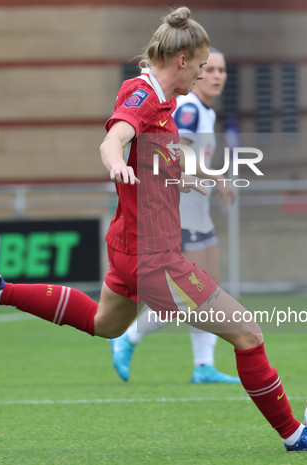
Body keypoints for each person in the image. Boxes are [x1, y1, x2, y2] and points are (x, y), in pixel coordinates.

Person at [0, 7, 307, 452]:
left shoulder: (162, 99)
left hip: (130, 247)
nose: (206, 74)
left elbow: (152, 155)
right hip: (154, 256)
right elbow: (114, 137)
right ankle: (297, 436)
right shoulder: (143, 95)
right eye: (203, 65)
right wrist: (114, 161)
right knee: (247, 333)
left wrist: (186, 176)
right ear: (183, 61)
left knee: (104, 323)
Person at [109, 48, 241, 384]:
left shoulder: (206, 113)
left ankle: (203, 365)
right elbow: (173, 154)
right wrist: (216, 175)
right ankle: (128, 336)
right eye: (208, 69)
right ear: (194, 69)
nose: (215, 75)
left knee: (209, 291)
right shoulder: (189, 110)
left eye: (221, 70)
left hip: (199, 215)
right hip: (179, 215)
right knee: (190, 296)